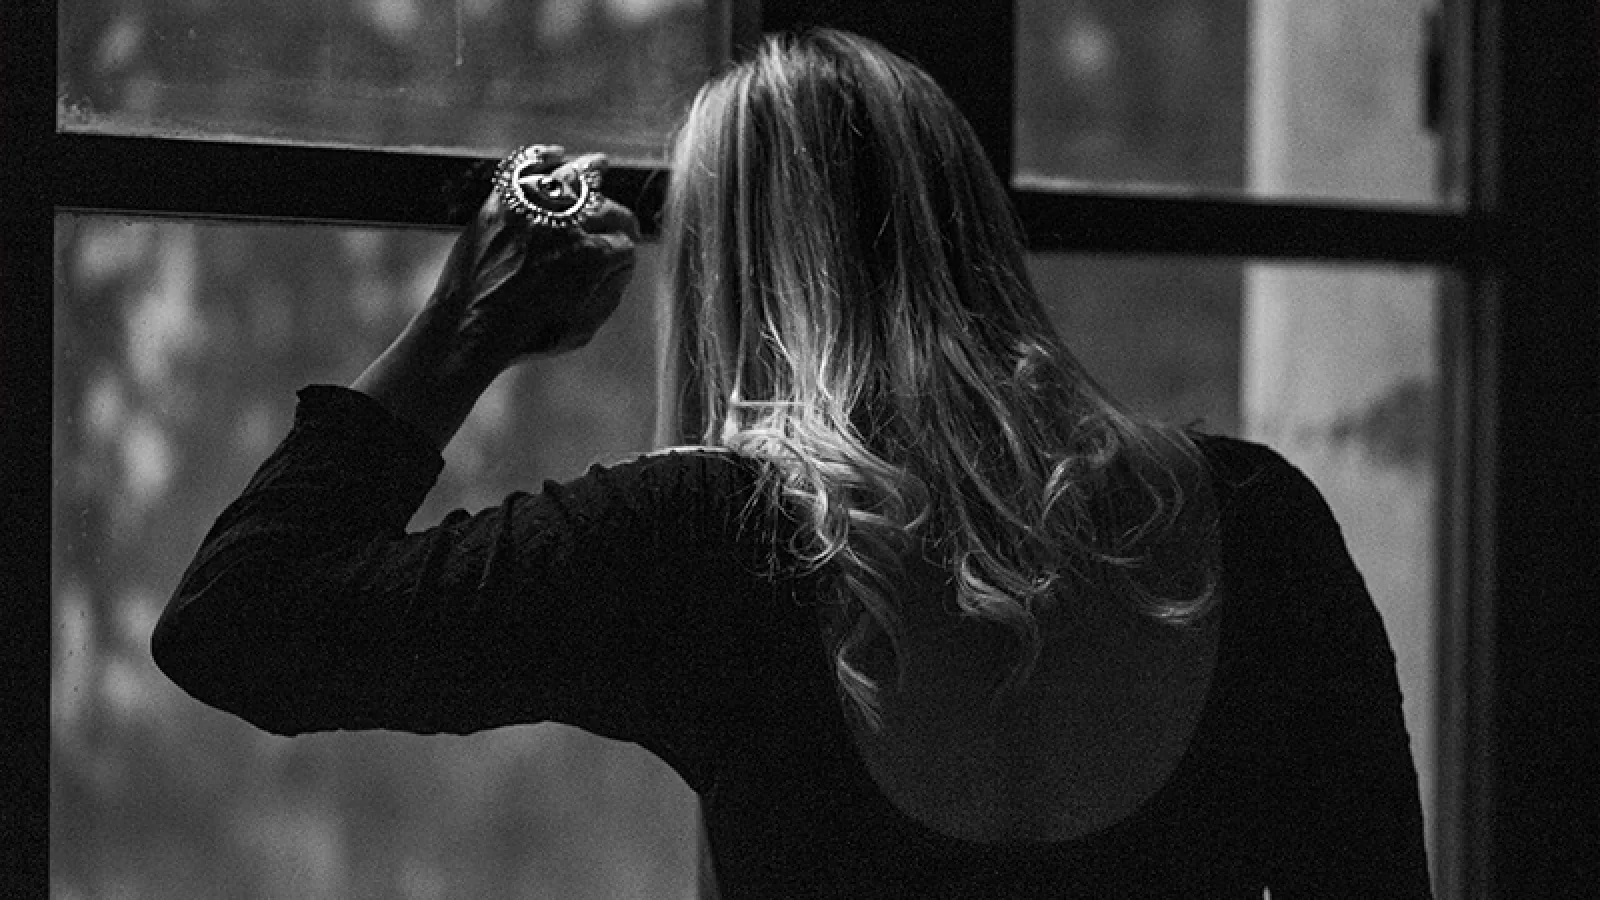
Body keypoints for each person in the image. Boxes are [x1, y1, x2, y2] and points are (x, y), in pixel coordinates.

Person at [153, 28, 1432, 899]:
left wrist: (465, 328)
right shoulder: (1253, 524)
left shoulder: (711, 546)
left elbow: (243, 621)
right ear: (972, 230)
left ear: (728, 276)